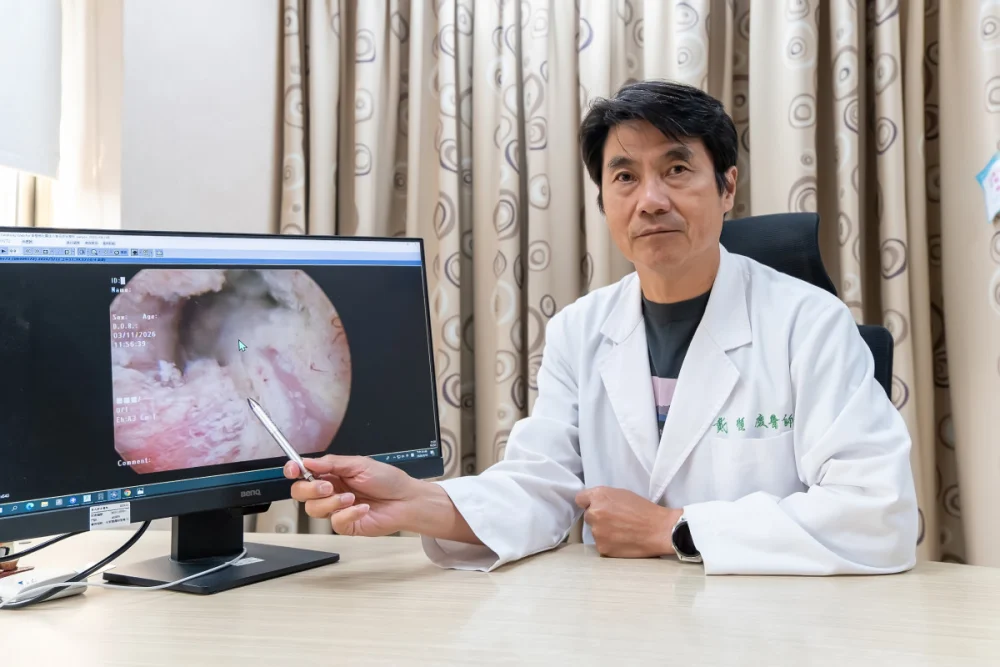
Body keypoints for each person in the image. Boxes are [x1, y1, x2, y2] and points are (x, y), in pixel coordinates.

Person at [286, 80, 919, 576]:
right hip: (616, 620)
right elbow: (541, 487)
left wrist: (673, 528)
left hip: (771, 625)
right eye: (625, 177)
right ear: (604, 202)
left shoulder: (808, 323)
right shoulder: (580, 330)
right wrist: (418, 502)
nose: (651, 200)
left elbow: (877, 512)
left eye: (677, 169)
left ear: (727, 187)